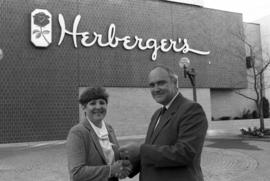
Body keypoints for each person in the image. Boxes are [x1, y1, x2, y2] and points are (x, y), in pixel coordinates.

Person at [120, 65, 208, 181]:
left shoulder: (191, 110)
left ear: (175, 83)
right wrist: (124, 167)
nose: (156, 89)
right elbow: (152, 153)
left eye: (161, 83)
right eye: (152, 85)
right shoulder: (157, 114)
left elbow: (185, 153)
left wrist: (141, 150)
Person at [66, 86, 132, 181]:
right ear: (84, 107)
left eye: (102, 102)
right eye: (92, 103)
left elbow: (113, 159)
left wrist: (124, 158)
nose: (98, 107)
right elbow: (76, 173)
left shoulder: (109, 128)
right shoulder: (77, 133)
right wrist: (110, 170)